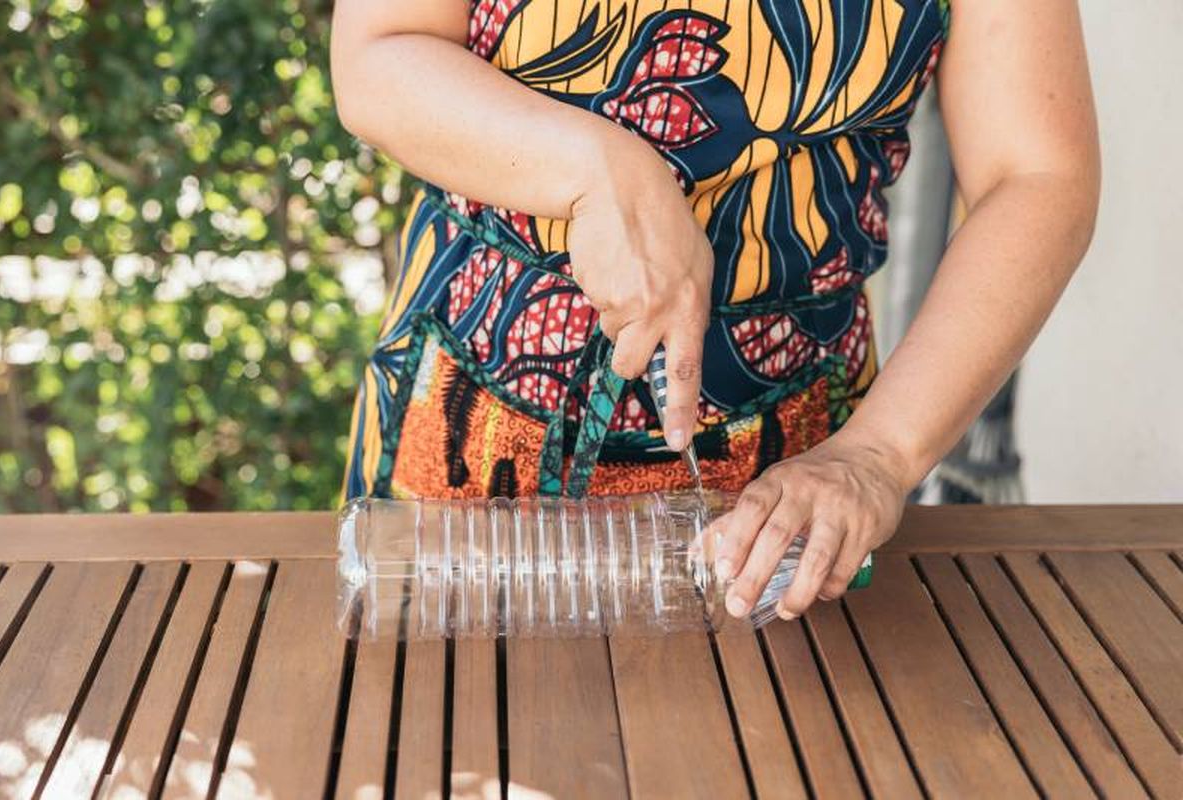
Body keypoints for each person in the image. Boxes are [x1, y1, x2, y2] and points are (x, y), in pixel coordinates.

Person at [330, 0, 1099, 622]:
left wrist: (877, 456)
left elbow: (1036, 173)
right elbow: (379, 52)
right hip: (465, 431)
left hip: (797, 484)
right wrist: (599, 173)